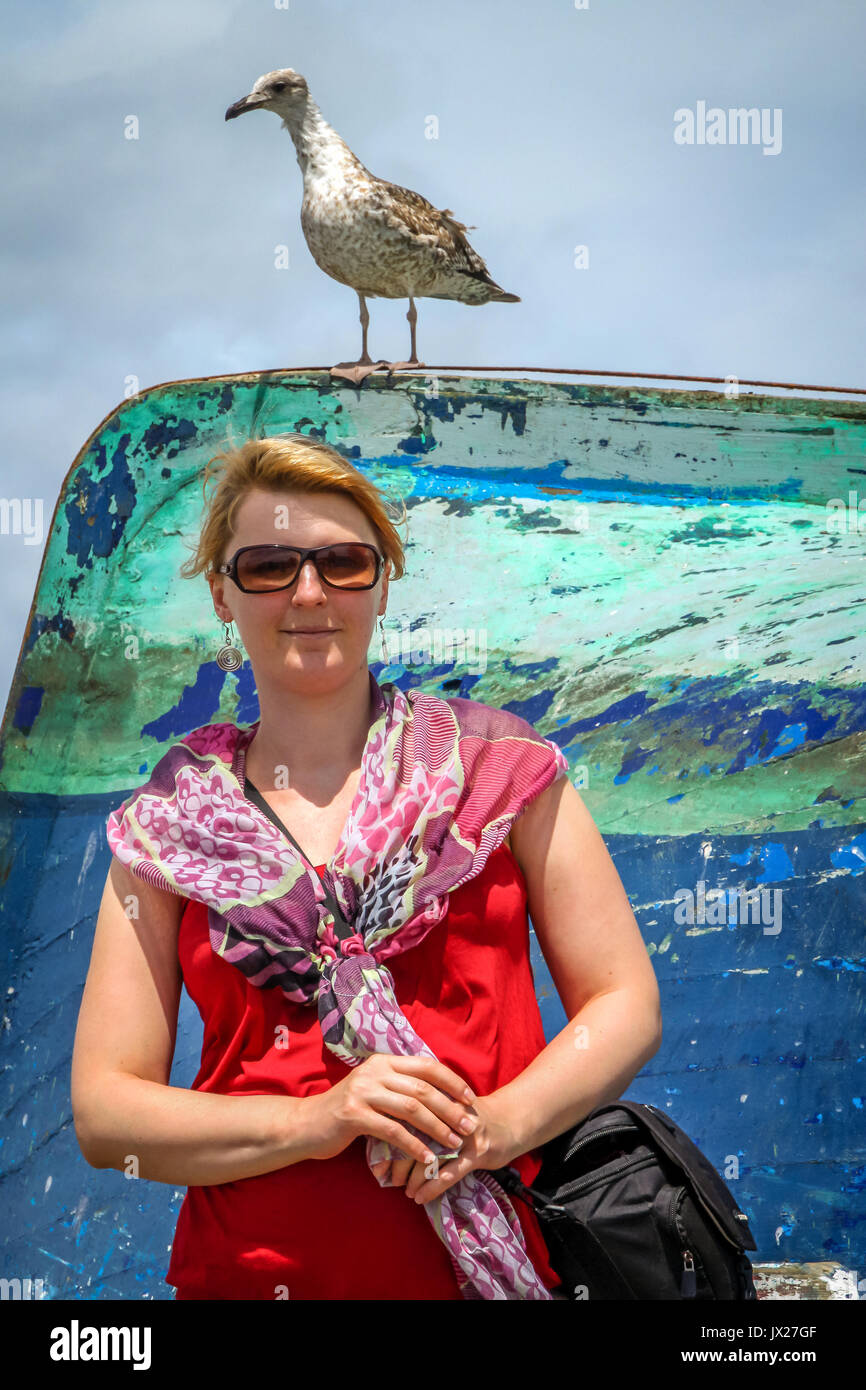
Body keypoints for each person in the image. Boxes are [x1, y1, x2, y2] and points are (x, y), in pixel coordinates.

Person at [71, 432, 662, 1300]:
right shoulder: (168, 832)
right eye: (269, 566)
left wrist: (495, 1127)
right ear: (221, 596)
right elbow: (106, 1110)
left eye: (342, 562)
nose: (308, 592)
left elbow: (625, 1003)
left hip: (497, 1274)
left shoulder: (499, 772)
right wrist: (319, 1121)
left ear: (381, 583)